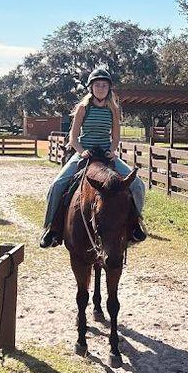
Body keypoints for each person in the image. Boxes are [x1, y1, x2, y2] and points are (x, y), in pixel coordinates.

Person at [40, 67, 146, 248]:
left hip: (106, 154)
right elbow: (73, 138)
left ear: (109, 88)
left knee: (137, 185)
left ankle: (135, 224)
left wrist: (113, 150)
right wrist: (81, 151)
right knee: (57, 185)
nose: (100, 88)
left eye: (104, 85)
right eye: (97, 85)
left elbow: (116, 136)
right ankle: (51, 228)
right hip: (85, 153)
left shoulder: (113, 109)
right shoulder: (83, 108)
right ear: (91, 88)